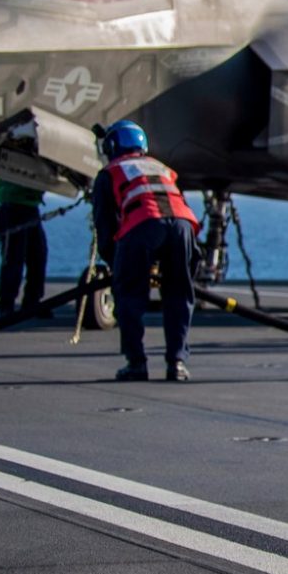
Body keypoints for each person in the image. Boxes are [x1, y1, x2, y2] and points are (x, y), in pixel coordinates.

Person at [91, 121, 201, 382]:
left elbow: (105, 227)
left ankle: (136, 363)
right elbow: (175, 211)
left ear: (112, 146)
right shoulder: (163, 169)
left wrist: (118, 267)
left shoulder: (111, 172)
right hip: (183, 225)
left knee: (130, 295)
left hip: (142, 223)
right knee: (179, 294)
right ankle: (177, 363)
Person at [0, 178, 49, 317]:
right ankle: (6, 304)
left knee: (38, 256)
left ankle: (32, 301)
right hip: (12, 208)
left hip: (30, 208)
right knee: (13, 258)